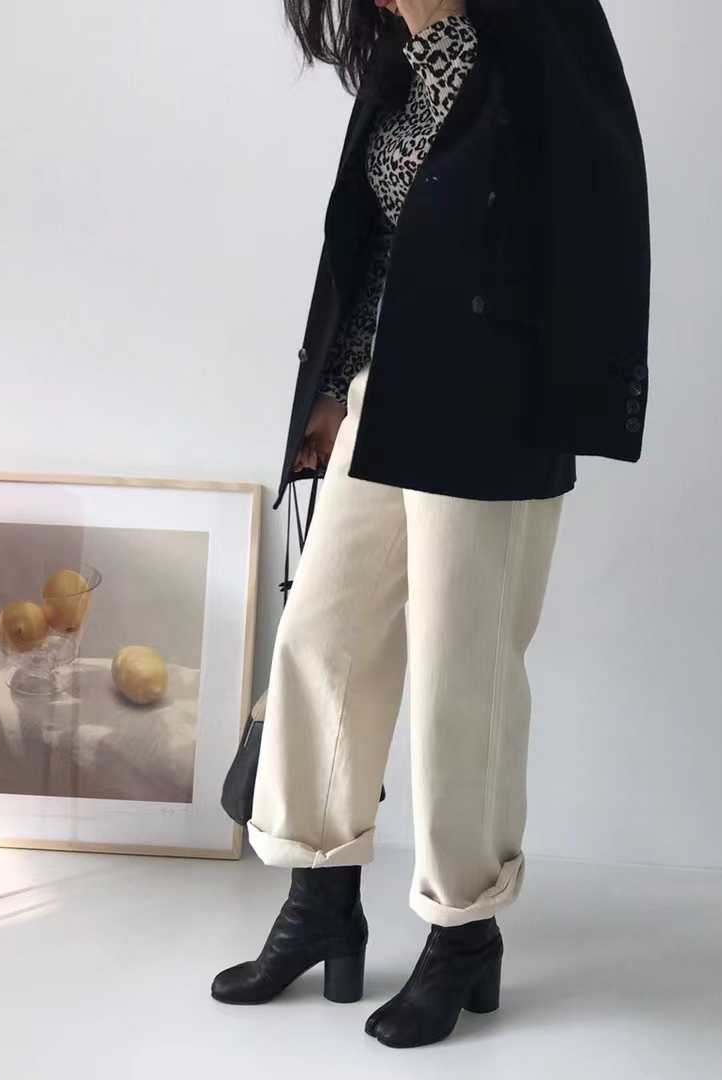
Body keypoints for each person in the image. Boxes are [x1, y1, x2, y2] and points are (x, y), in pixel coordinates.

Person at [212, 0, 650, 1049]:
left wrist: (571, 411)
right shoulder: (400, 67)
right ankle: (320, 900)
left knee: (466, 676)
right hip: (387, 392)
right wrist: (333, 388)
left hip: (496, 406)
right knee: (322, 638)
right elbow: (377, 244)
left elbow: (596, 219)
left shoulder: (546, 42)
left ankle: (463, 932)